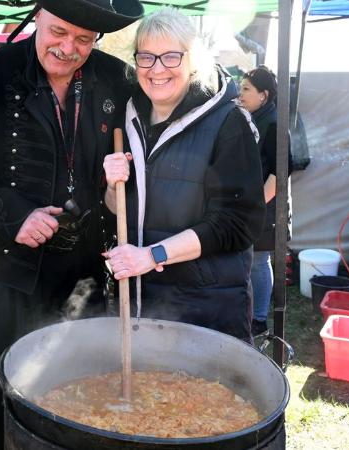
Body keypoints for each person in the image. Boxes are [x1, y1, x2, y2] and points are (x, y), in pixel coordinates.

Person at [0, 0, 143, 447]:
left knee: (84, 385)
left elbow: (170, 94)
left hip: (85, 268)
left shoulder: (115, 78)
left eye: (84, 39)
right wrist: (14, 215)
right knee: (8, 385)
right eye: (58, 32)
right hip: (9, 268)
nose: (69, 48)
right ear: (37, 18)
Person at [102, 7, 265, 342]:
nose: (157, 69)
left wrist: (152, 255)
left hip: (206, 309)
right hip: (141, 304)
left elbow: (237, 223)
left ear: (194, 59)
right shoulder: (128, 117)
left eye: (171, 56)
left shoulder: (228, 122)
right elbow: (120, 209)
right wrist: (110, 184)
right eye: (146, 57)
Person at [237, 65, 294, 336]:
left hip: (267, 209)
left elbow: (280, 174)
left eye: (246, 88)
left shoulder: (273, 123)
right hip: (253, 206)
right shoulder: (252, 119)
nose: (240, 93)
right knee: (252, 261)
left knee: (259, 261)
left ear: (264, 95)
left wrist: (255, 205)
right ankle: (252, 313)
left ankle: (259, 318)